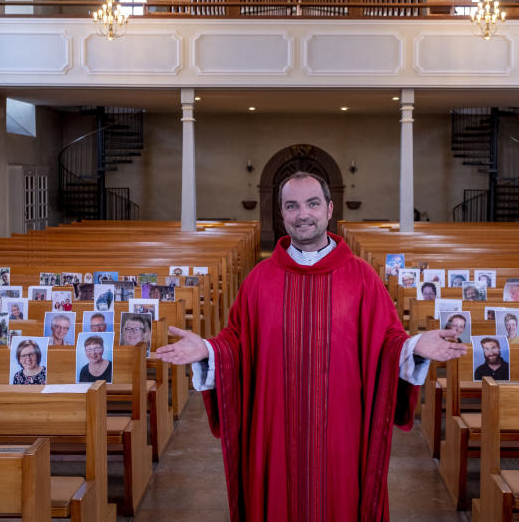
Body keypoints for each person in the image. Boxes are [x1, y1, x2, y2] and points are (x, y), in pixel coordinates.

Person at [154, 171, 467, 522]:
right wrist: (209, 351)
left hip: (342, 428)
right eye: (292, 205)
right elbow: (237, 342)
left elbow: (387, 342)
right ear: (282, 214)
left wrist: (414, 346)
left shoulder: (363, 277)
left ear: (329, 209)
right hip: (274, 426)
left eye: (312, 203)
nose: (303, 213)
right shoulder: (259, 279)